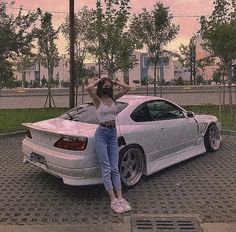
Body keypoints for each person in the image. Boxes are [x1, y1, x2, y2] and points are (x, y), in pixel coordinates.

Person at [86, 77, 131, 214]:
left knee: (114, 168)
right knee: (106, 168)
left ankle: (121, 198)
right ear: (101, 87)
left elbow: (128, 88)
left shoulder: (113, 99)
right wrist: (99, 80)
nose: (107, 88)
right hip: (101, 134)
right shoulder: (97, 100)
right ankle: (113, 200)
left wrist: (115, 82)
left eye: (108, 86)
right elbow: (88, 88)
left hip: (113, 133)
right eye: (104, 86)